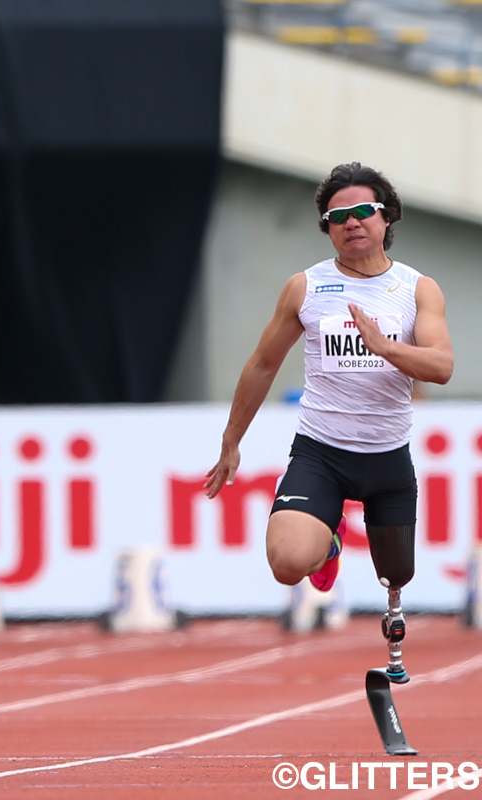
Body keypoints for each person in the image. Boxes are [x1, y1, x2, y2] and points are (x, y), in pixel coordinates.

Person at [205, 162, 453, 680]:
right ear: (327, 226)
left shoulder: (416, 289)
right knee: (288, 563)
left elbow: (442, 366)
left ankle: (342, 536)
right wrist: (231, 441)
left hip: (387, 456)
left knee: (396, 574)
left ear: (387, 219)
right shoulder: (306, 288)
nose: (352, 222)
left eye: (364, 211)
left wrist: (385, 347)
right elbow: (262, 364)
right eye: (338, 216)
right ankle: (328, 540)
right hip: (322, 451)